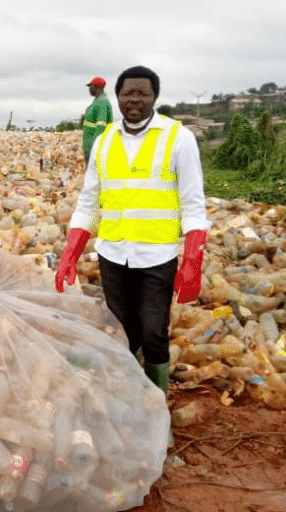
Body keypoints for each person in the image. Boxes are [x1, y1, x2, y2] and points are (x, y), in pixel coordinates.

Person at [54, 65, 210, 395]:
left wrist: (192, 260)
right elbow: (89, 201)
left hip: (156, 255)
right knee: (119, 330)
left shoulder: (177, 137)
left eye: (142, 93)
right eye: (128, 93)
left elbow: (193, 204)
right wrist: (71, 253)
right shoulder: (104, 141)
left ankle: (156, 404)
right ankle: (123, 397)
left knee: (154, 331)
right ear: (118, 96)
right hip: (112, 253)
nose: (134, 100)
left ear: (154, 96)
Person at [82, 76, 114, 158]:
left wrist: (95, 147)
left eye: (91, 86)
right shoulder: (97, 101)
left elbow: (101, 126)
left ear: (98, 87)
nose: (89, 89)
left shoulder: (102, 103)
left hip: (95, 148)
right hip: (90, 146)